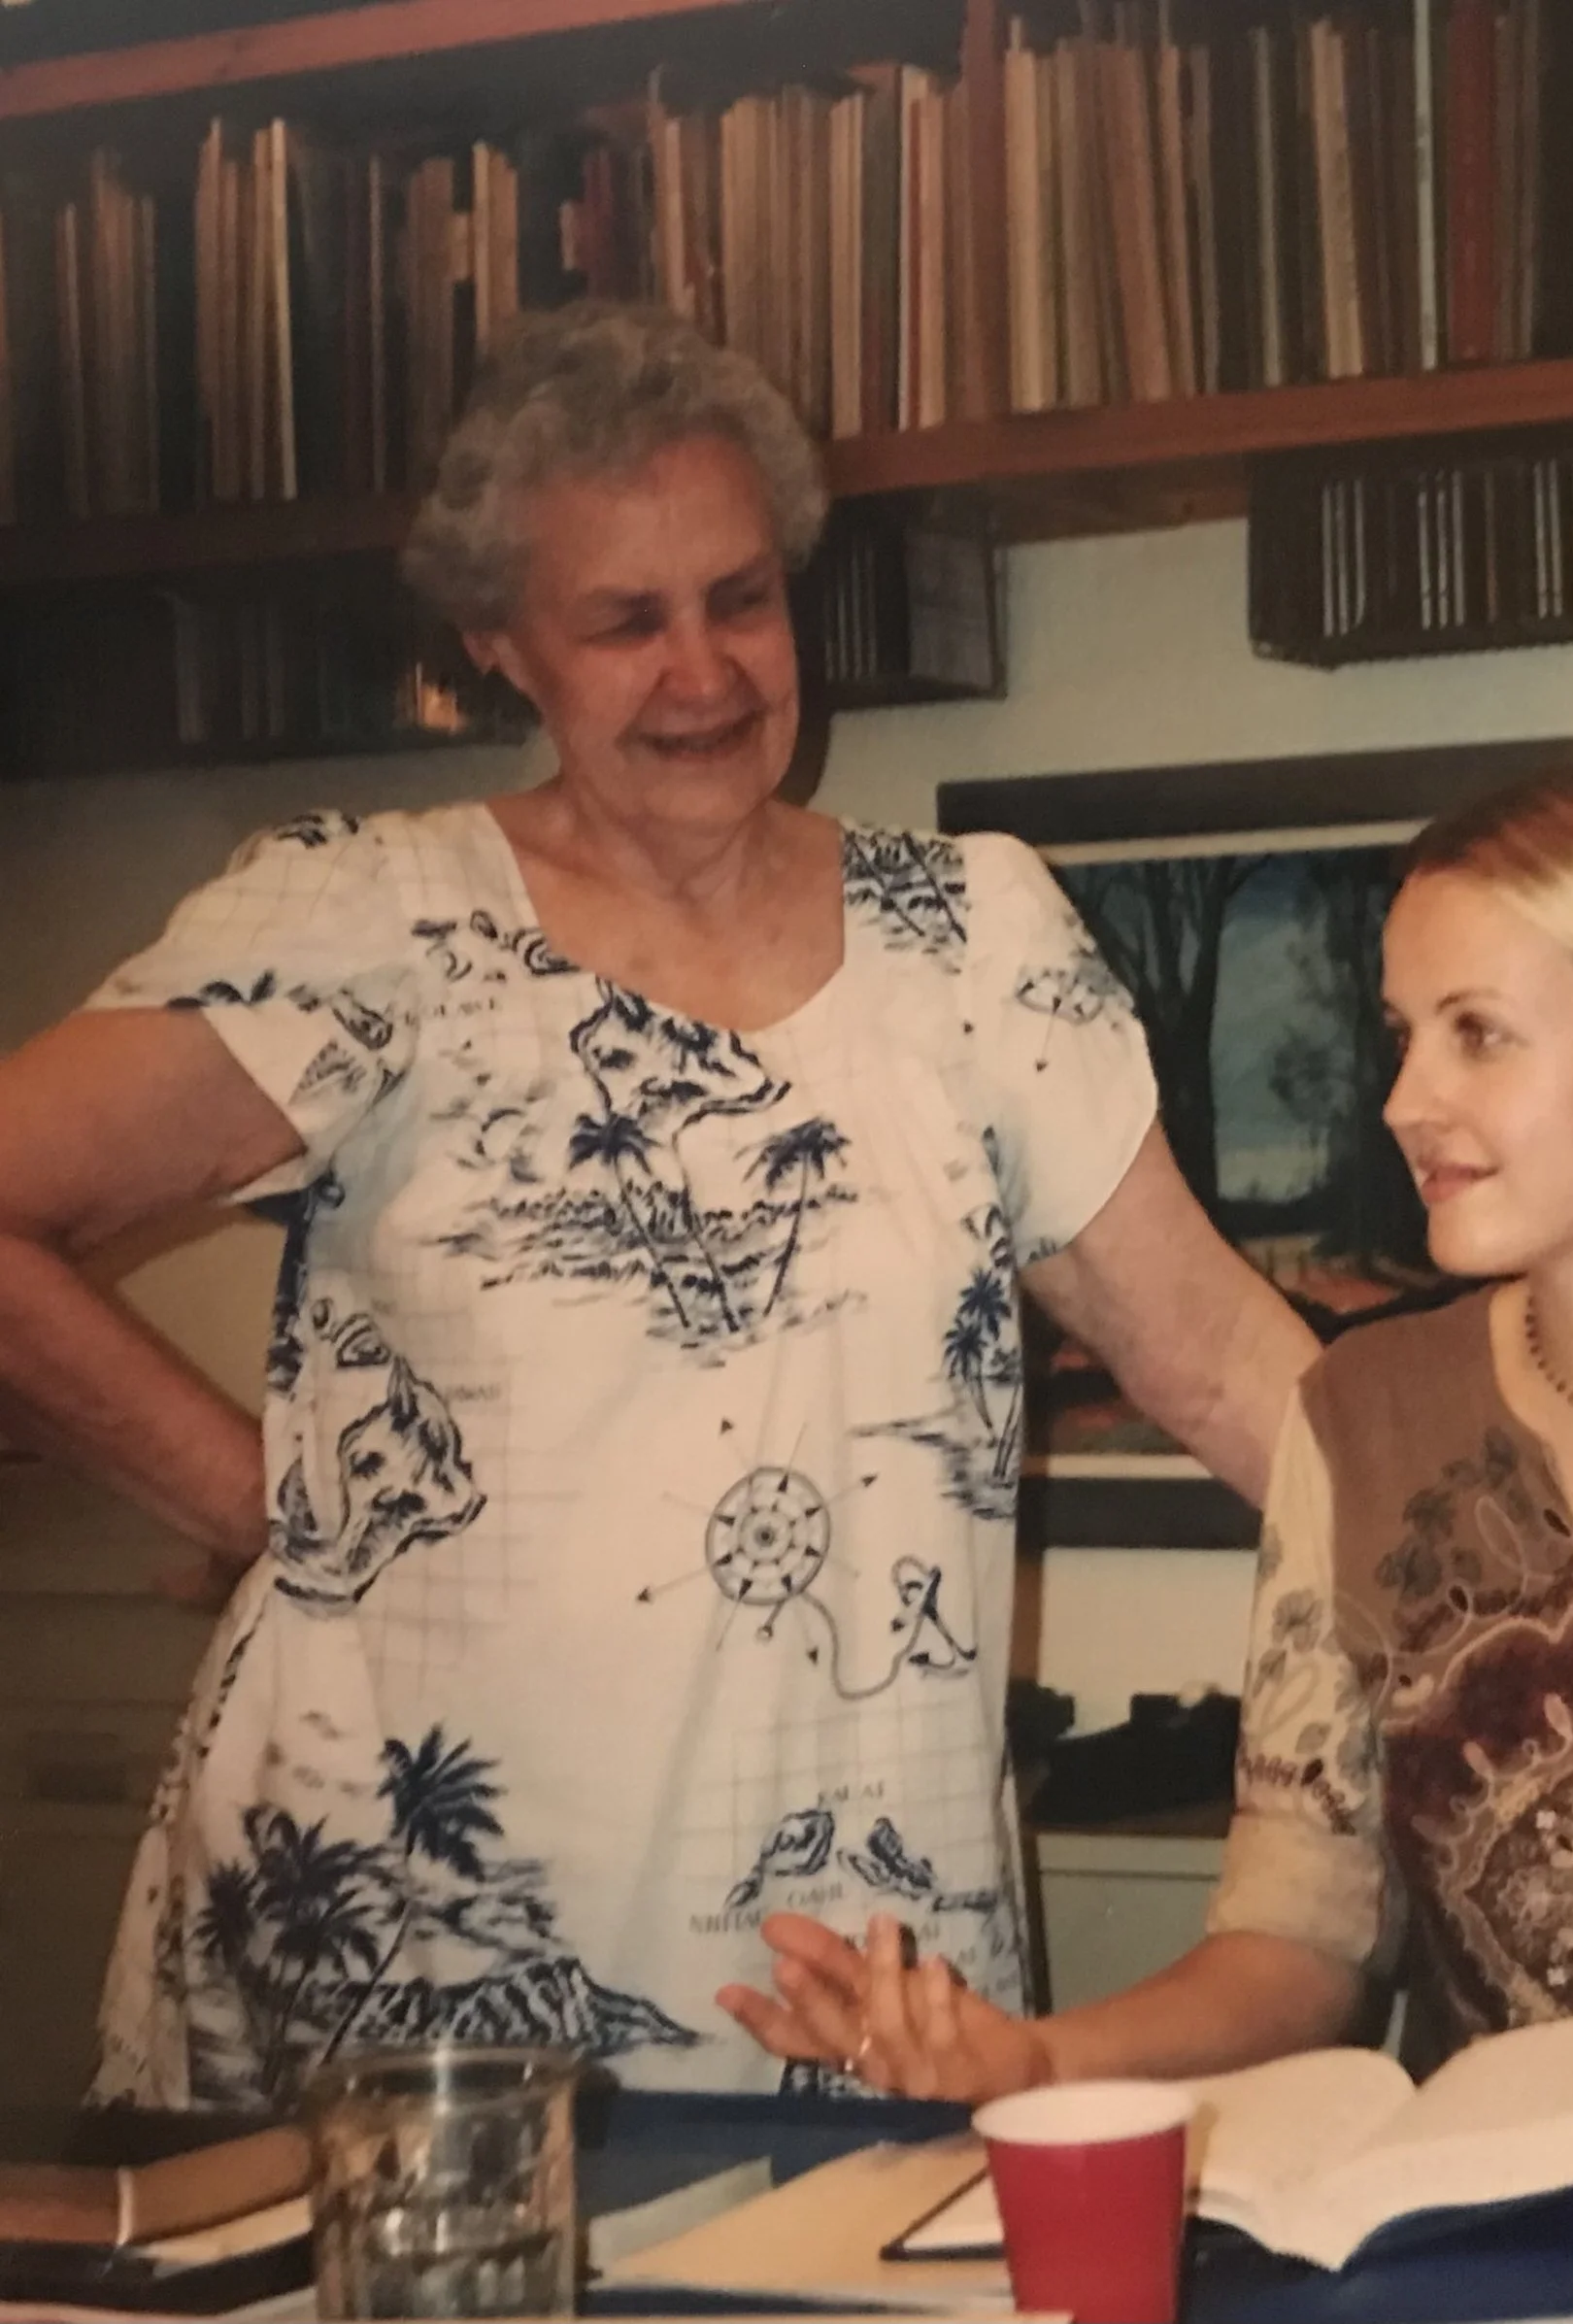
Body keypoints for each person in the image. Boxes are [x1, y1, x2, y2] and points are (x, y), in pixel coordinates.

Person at [0, 302, 1315, 2108]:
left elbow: (1223, 1360)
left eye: (740, 598)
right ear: (499, 646)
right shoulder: (374, 923)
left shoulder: (973, 938)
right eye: (625, 622)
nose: (704, 671)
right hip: (409, 1952)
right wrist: (263, 1505)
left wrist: (1547, 1548)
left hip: (857, 1961)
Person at [724, 760, 1573, 2145]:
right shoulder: (1359, 1421)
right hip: (1473, 2229)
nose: (1403, 1100)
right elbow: (1296, 1945)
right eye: (1402, 1035)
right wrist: (1035, 2060)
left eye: (1478, 1033)